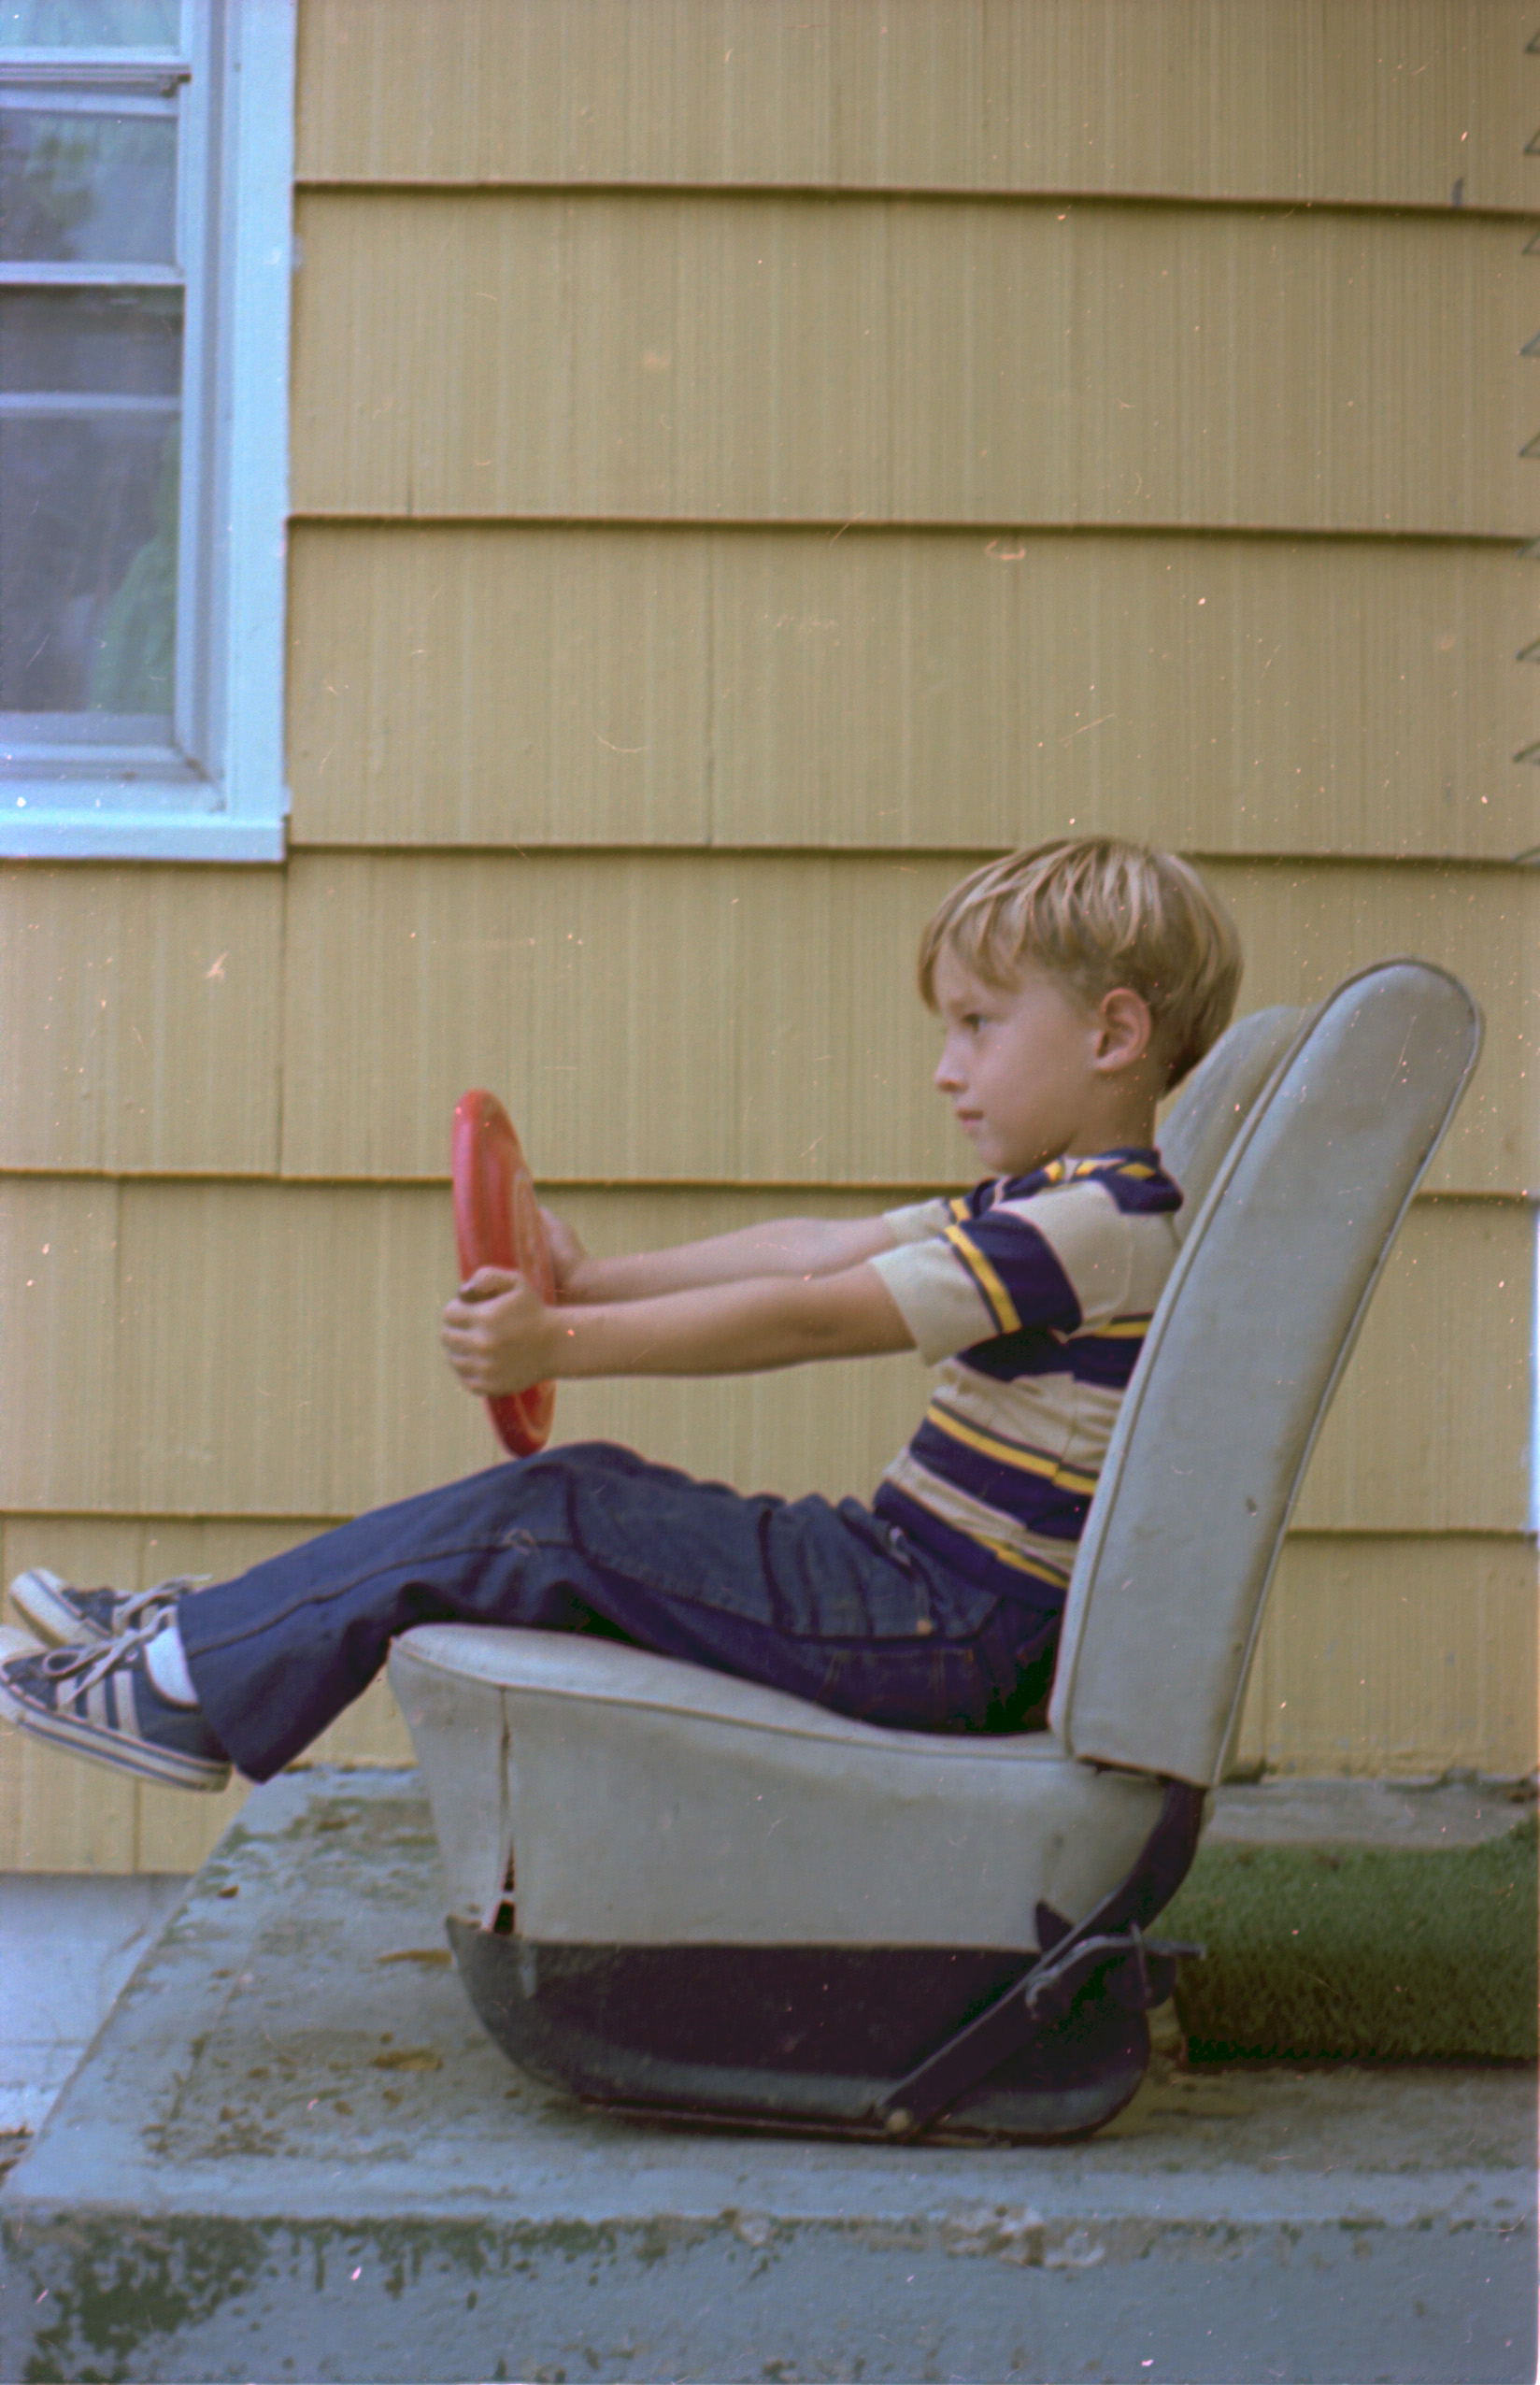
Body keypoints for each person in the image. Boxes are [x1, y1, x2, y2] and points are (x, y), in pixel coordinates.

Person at [0, 836, 1241, 1794]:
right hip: (924, 1597)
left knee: (546, 1518)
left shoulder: (1091, 1227)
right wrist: (590, 1287)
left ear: (1113, 1034)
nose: (946, 1067)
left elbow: (814, 1317)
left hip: (946, 1629)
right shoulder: (1054, 1205)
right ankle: (207, 1639)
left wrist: (560, 1347)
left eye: (978, 1024)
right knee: (574, 1497)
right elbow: (813, 1248)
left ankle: (185, 1684)